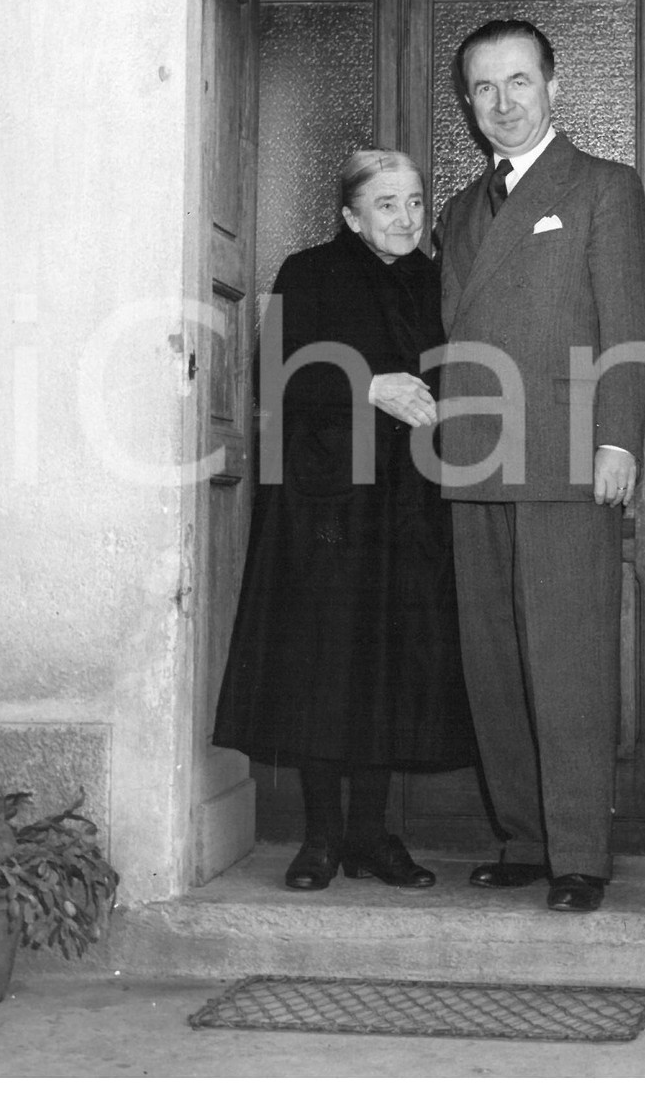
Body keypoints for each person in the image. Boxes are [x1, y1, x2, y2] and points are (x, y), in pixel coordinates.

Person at [433, 19, 645, 913]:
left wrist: (619, 442)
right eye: (484, 89)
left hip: (569, 460)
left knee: (567, 661)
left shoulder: (603, 186)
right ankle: (526, 839)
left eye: (519, 82)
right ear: (467, 102)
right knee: (496, 665)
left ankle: (580, 855)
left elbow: (633, 326)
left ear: (553, 86)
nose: (502, 103)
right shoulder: (458, 211)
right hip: (476, 460)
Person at [213, 149, 475, 892]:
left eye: (416, 203)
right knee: (323, 666)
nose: (405, 218)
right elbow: (279, 373)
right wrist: (372, 385)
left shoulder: (435, 281)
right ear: (351, 215)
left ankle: (372, 836)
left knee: (389, 666)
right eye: (386, 204)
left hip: (409, 500)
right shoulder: (308, 271)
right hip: (325, 499)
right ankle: (320, 838)